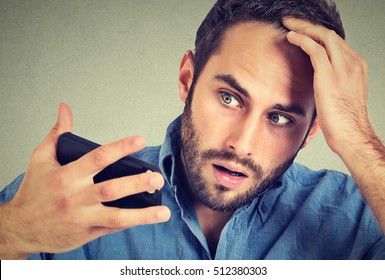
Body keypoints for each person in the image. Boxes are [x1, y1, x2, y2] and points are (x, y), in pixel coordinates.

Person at [1, 0, 384, 260]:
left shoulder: (357, 217)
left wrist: (358, 140)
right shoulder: (61, 196)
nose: (243, 145)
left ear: (313, 128)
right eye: (230, 98)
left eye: (280, 118)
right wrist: (15, 231)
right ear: (188, 79)